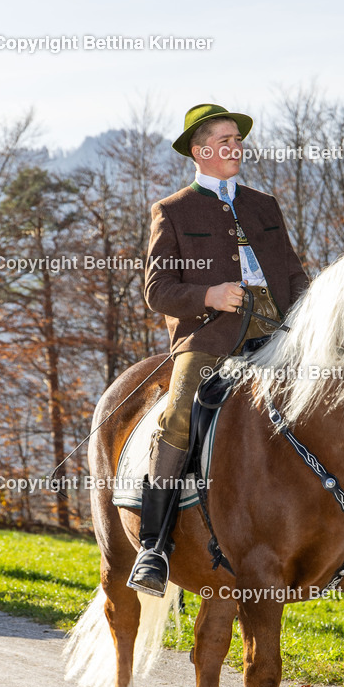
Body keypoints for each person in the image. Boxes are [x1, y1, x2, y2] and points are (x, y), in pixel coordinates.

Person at [127, 103, 308, 597]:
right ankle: (153, 547)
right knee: (179, 414)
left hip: (280, 333)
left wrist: (310, 314)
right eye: (226, 140)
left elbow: (292, 272)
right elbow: (157, 290)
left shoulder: (264, 205)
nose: (236, 147)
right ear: (201, 151)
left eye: (238, 140)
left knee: (342, 389)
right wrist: (208, 295)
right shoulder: (173, 210)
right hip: (208, 337)